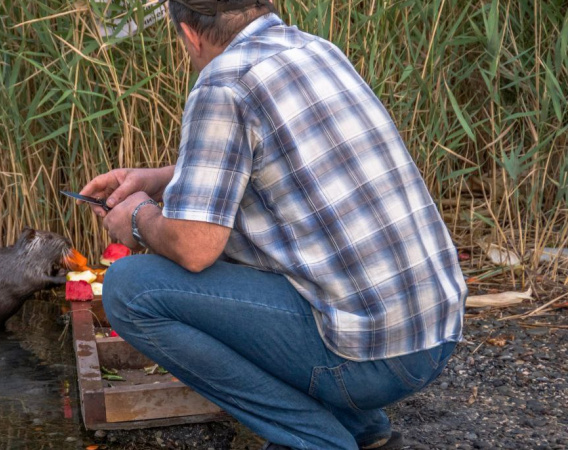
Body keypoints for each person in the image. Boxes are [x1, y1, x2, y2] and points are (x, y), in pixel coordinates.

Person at [78, 0, 467, 448]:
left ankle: (315, 440)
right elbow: (269, 163)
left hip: (370, 361)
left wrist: (138, 218)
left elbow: (194, 246)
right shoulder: (316, 50)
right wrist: (161, 180)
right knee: (258, 257)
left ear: (190, 33)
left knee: (131, 288)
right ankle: (362, 430)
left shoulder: (222, 84)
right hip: (435, 330)